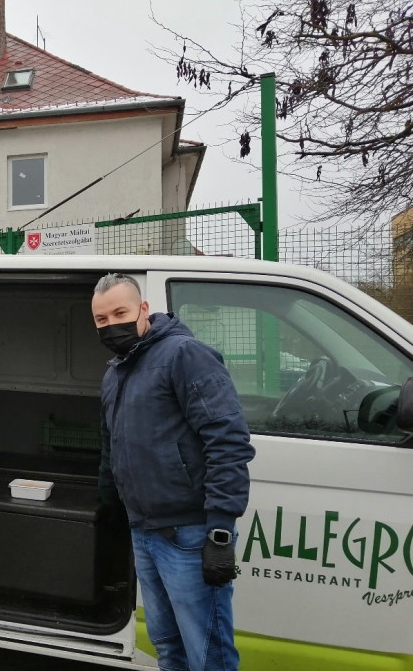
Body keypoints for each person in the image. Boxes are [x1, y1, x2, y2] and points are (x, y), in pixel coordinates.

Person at [91, 273, 254, 671]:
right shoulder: (115, 372)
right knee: (169, 649)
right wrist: (109, 508)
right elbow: (112, 447)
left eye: (120, 313)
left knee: (207, 655)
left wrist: (219, 530)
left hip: (190, 534)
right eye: (101, 319)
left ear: (143, 310)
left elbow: (227, 438)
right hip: (145, 531)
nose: (112, 325)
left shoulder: (184, 354)